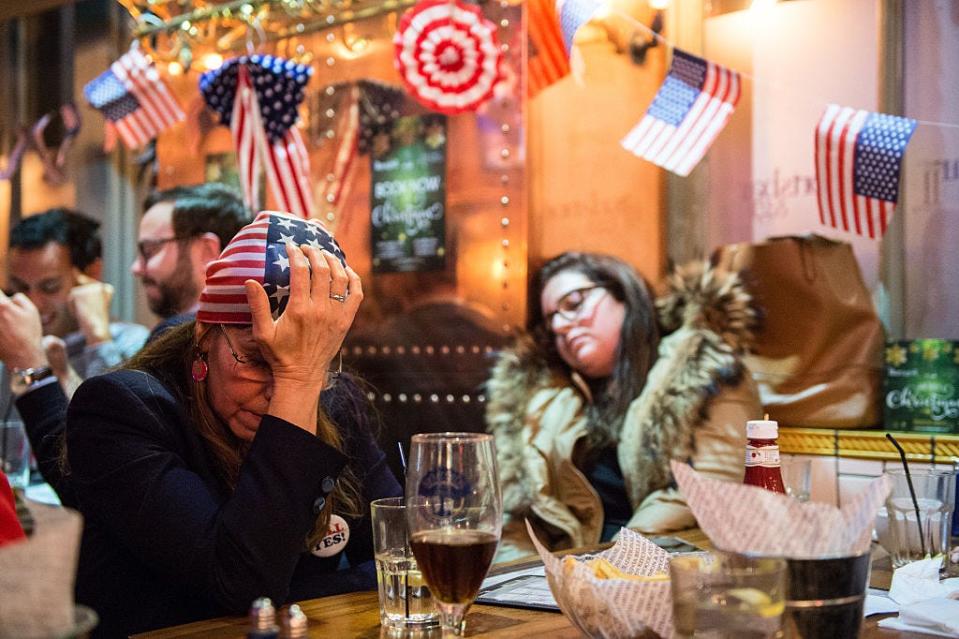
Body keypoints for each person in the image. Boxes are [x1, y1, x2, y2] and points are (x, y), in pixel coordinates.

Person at [66, 211, 401, 638]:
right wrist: (299, 379)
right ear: (206, 334)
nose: (280, 391)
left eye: (310, 360)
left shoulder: (333, 397)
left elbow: (401, 554)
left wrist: (296, 593)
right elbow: (244, 584)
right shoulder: (120, 413)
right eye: (260, 359)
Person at [486, 252, 761, 561]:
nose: (561, 325)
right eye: (551, 320)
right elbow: (517, 518)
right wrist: (514, 584)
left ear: (624, 293)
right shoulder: (548, 398)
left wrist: (606, 570)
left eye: (574, 303)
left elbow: (697, 493)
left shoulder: (702, 368)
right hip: (564, 582)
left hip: (665, 575)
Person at [0, 209, 149, 501]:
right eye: (20, 288)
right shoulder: (7, 342)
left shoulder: (133, 343)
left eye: (49, 287)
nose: (33, 304)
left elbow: (119, 449)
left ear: (90, 275)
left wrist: (97, 338)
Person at [133, 183, 251, 339]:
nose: (136, 268)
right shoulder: (250, 330)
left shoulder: (178, 336)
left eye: (149, 250)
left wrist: (99, 339)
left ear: (207, 252)